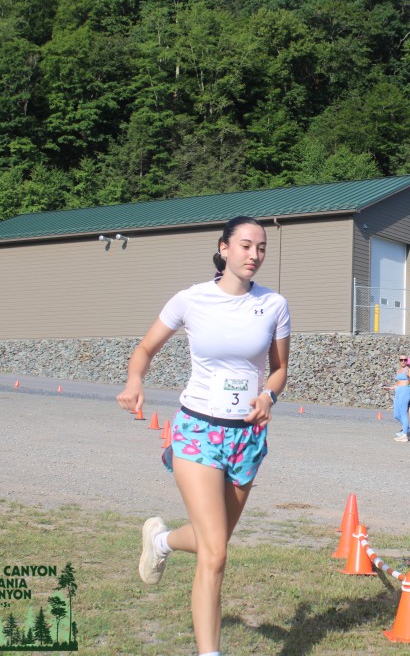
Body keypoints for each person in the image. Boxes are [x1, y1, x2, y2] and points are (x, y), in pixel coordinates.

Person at [116, 216, 290, 656]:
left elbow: (280, 369)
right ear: (224, 248)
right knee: (215, 555)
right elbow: (145, 348)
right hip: (198, 430)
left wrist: (268, 395)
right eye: (246, 246)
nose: (254, 255)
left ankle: (160, 540)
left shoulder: (274, 305)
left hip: (247, 437)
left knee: (214, 540)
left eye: (261, 248)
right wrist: (135, 381)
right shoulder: (191, 299)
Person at [383, 356, 410, 442]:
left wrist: (408, 377)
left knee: (403, 413)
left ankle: (404, 435)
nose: (403, 361)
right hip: (398, 392)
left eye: (405, 360)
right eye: (401, 360)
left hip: (404, 391)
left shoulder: (408, 370)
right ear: (399, 361)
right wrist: (390, 388)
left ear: (407, 361)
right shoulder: (398, 371)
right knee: (396, 415)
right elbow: (397, 383)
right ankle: (407, 429)